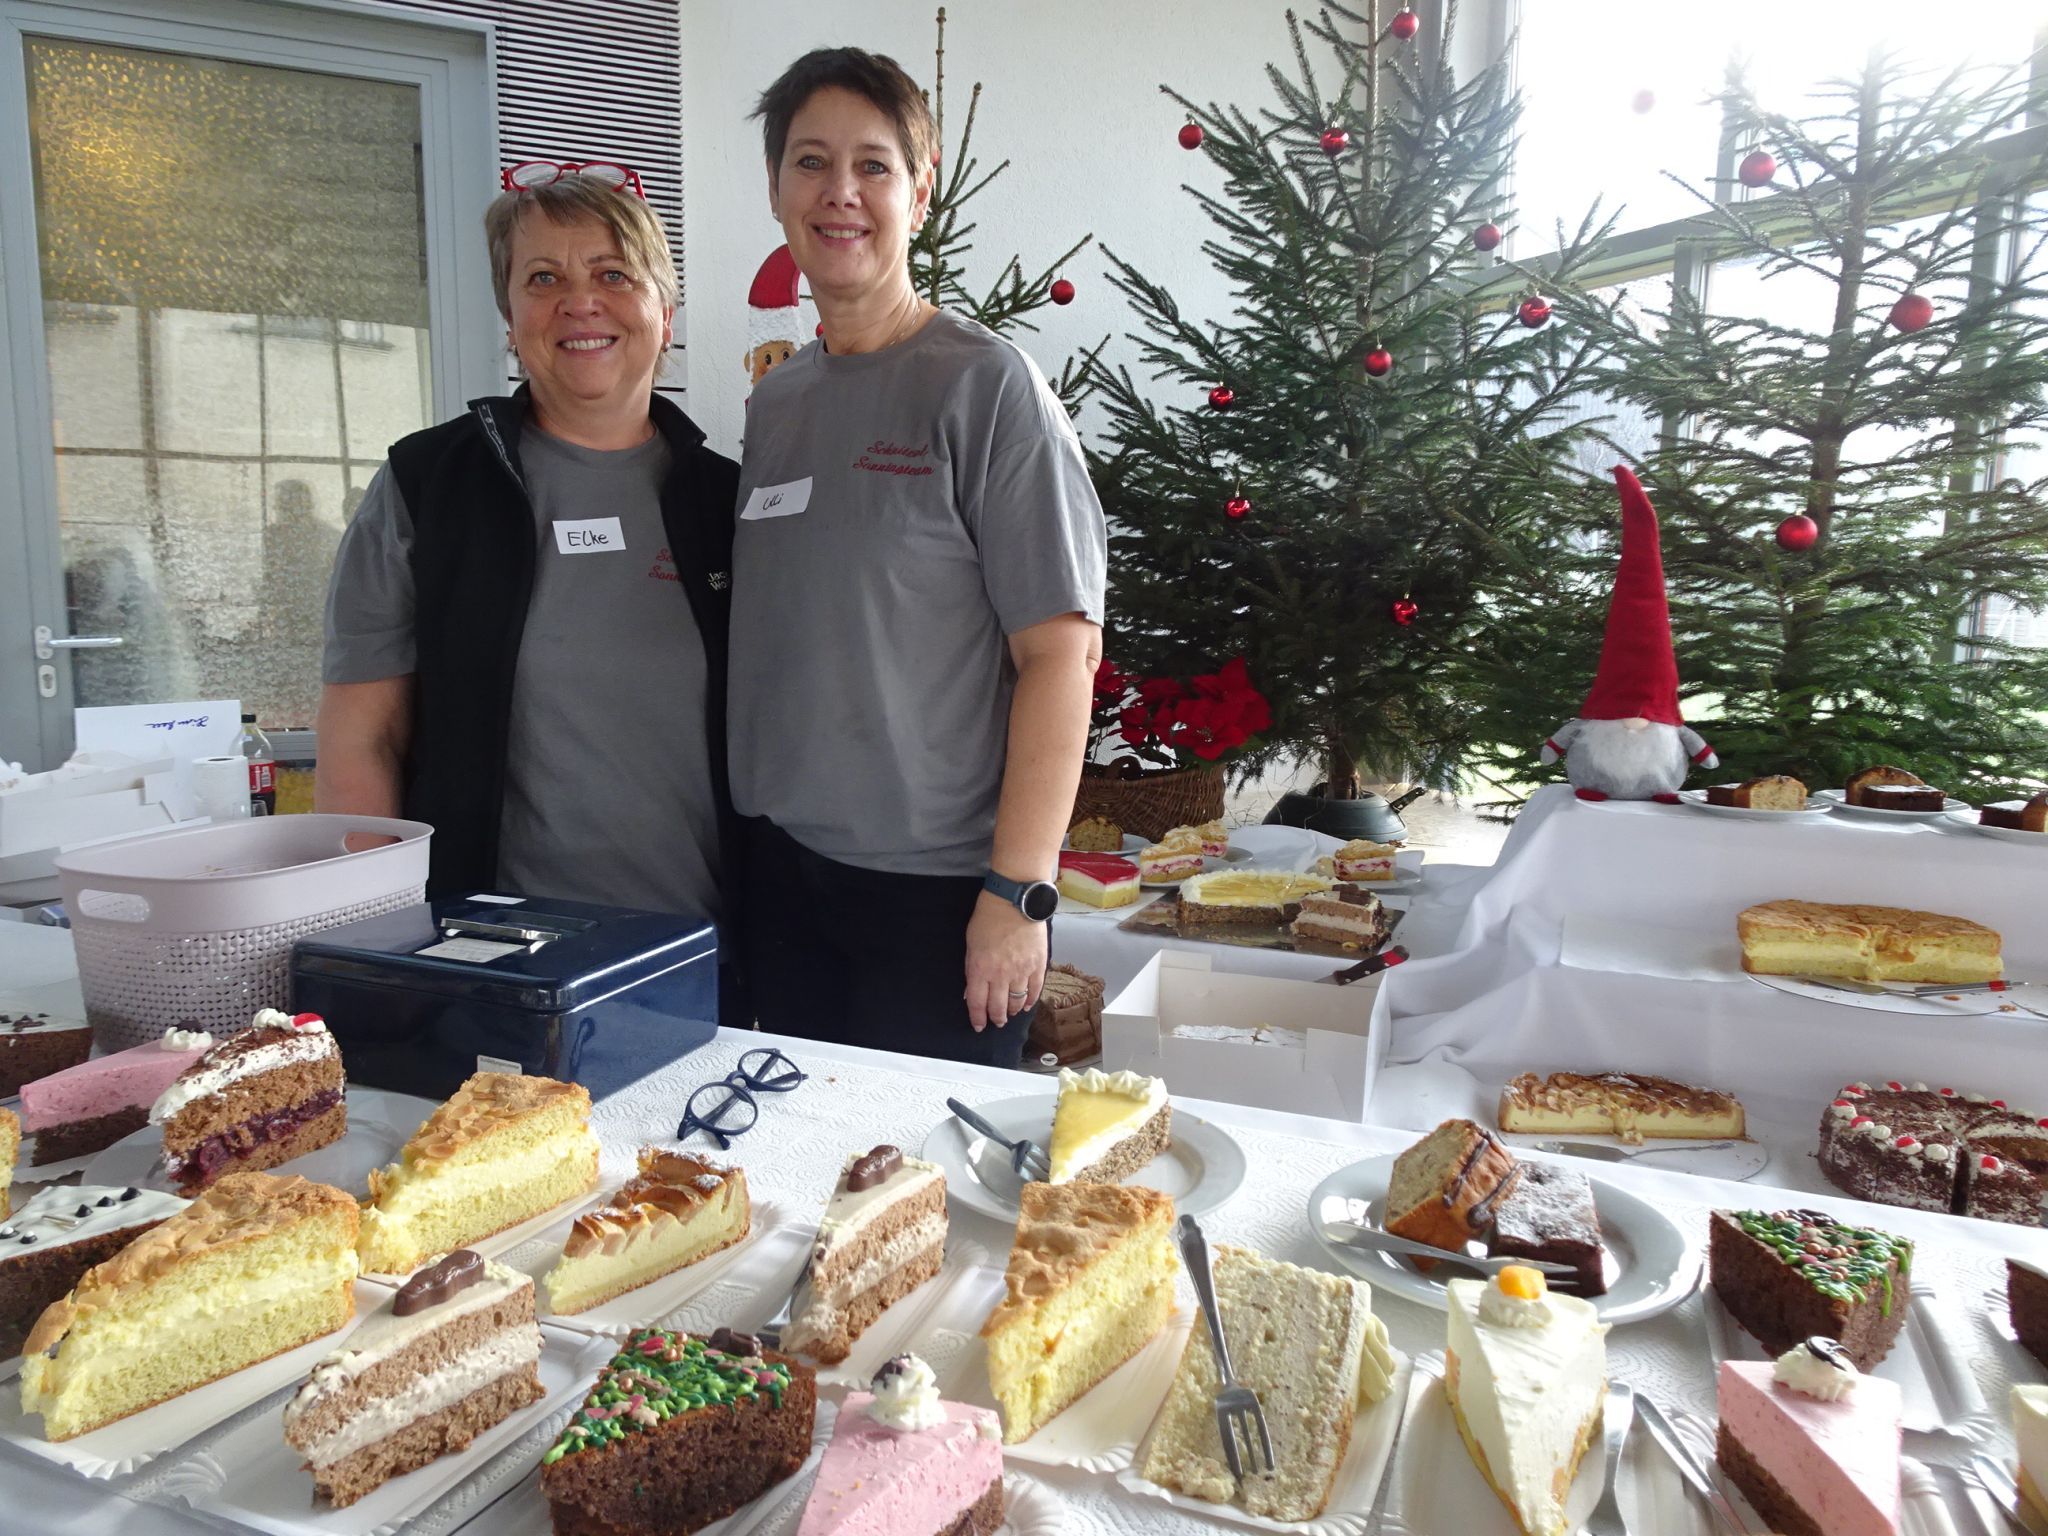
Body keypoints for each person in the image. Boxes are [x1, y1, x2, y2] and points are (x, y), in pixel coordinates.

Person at [730, 49, 1107, 1067]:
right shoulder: (777, 402)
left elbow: (1061, 657)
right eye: (811, 162)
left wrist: (1018, 892)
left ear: (919, 192)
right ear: (775, 188)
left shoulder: (986, 388)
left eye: (873, 165)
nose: (840, 192)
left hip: (936, 898)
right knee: (799, 1155)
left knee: (922, 1166)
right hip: (781, 879)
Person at [316, 167, 739, 945]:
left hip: (704, 954)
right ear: (510, 319)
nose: (580, 302)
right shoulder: (426, 487)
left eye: (613, 274)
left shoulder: (731, 504)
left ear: (665, 313)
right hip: (488, 953)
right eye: (543, 278)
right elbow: (361, 741)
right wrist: (379, 946)